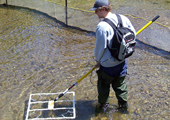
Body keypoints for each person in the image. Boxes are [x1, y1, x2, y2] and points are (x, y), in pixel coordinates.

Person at [90, 0, 136, 115]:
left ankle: (103, 107)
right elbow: (133, 35)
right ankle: (123, 107)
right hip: (121, 60)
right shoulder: (123, 18)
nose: (95, 13)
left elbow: (100, 48)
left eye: (96, 10)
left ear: (104, 9)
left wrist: (97, 61)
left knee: (103, 85)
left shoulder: (102, 26)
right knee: (120, 85)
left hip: (107, 65)